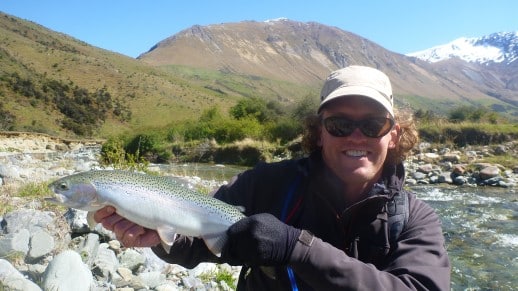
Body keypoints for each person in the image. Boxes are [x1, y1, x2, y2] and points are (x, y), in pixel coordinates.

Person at [95, 65, 451, 290]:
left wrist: (298, 249)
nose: (356, 137)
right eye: (340, 125)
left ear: (393, 134)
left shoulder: (415, 219)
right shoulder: (266, 185)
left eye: (373, 125)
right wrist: (158, 232)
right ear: (319, 132)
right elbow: (200, 241)